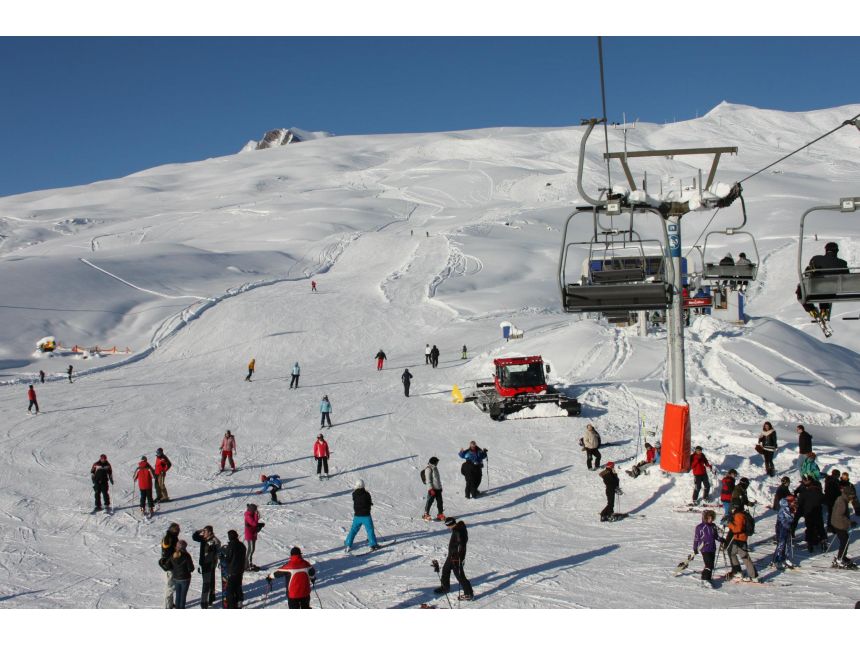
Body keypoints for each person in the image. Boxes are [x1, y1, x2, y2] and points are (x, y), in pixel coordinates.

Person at [796, 241, 848, 321]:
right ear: (837, 251)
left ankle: (811, 310)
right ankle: (824, 309)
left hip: (815, 293)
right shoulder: (842, 263)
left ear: (826, 250)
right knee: (827, 287)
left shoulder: (816, 259)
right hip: (831, 294)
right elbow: (846, 277)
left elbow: (807, 273)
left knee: (802, 290)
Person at [434, 517, 474, 600]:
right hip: (452, 555)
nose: (447, 527)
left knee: (460, 576)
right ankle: (445, 587)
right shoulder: (458, 528)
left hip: (456, 557)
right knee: (445, 570)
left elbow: (462, 546)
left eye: (447, 525)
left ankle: (469, 594)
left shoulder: (458, 531)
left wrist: (458, 558)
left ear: (450, 524)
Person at [723, 505, 758, 582]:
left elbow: (737, 529)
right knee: (731, 552)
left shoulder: (739, 515)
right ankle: (737, 571)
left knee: (745, 557)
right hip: (737, 539)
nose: (731, 510)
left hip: (740, 539)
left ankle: (753, 576)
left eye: (732, 508)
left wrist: (728, 524)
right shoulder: (740, 514)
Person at [793, 475, 826, 553]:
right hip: (818, 513)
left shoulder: (804, 493)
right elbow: (824, 500)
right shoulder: (819, 493)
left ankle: (810, 544)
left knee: (810, 528)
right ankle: (823, 542)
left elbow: (800, 503)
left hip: (808, 513)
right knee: (820, 528)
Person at [344, 479, 379, 552]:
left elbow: (357, 500)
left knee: (353, 530)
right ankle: (372, 545)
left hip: (357, 516)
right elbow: (369, 502)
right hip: (366, 516)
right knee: (370, 530)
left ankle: (348, 544)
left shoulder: (354, 494)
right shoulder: (367, 494)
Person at [830, 483, 859, 568]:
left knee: (845, 541)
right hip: (839, 524)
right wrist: (850, 522)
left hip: (838, 523)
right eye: (851, 496)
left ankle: (842, 556)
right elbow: (840, 515)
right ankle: (840, 559)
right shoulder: (842, 501)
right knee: (844, 541)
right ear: (847, 494)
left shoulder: (842, 499)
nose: (852, 498)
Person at [191, 525, 221, 608]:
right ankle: (210, 598)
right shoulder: (203, 538)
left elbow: (217, 551)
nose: (203, 533)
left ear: (210, 532)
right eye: (203, 531)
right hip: (204, 564)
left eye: (205, 531)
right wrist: (199, 531)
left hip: (210, 564)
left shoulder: (214, 540)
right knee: (208, 582)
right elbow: (194, 537)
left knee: (209, 583)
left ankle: (209, 600)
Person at [220, 529, 246, 608]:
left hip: (233, 571)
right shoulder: (242, 545)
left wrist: (222, 558)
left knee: (230, 590)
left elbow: (228, 559)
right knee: (238, 587)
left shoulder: (231, 546)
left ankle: (232, 606)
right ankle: (239, 602)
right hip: (240, 570)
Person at [693, 509, 719, 584]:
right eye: (709, 518)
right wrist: (695, 548)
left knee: (711, 565)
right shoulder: (700, 527)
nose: (710, 520)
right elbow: (696, 538)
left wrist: (721, 539)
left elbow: (716, 536)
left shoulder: (713, 526)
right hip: (705, 548)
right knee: (708, 565)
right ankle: (705, 579)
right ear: (705, 518)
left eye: (711, 518)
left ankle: (709, 579)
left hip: (712, 548)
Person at [159, 522, 181, 609]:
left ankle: (170, 604)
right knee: (170, 586)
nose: (179, 531)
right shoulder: (168, 538)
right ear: (173, 530)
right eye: (177, 529)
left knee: (171, 585)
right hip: (170, 565)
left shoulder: (173, 537)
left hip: (173, 564)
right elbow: (166, 549)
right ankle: (167, 607)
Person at [772, 496, 797, 569]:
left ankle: (786, 558)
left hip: (787, 528)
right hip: (782, 528)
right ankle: (776, 560)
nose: (794, 503)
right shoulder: (784, 509)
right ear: (790, 502)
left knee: (788, 544)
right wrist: (792, 517)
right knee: (781, 544)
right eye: (793, 502)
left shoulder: (790, 508)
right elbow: (785, 520)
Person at [169, 540, 194, 609]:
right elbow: (191, 568)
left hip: (176, 578)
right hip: (185, 578)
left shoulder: (173, 555)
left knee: (178, 594)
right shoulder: (186, 555)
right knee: (183, 595)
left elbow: (169, 565)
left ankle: (177, 608)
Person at [422, 457, 445, 521]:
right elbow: (428, 480)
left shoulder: (435, 468)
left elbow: (437, 479)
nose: (437, 463)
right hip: (432, 489)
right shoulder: (428, 469)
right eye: (437, 462)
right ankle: (426, 514)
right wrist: (430, 489)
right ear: (434, 462)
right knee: (430, 502)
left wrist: (440, 487)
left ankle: (440, 514)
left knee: (440, 502)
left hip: (438, 489)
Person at [244, 503, 263, 571]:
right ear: (252, 510)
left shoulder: (250, 514)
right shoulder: (248, 515)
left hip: (253, 533)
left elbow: (254, 524)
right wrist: (256, 515)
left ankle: (249, 563)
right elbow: (254, 524)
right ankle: (247, 565)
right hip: (250, 535)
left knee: (252, 549)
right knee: (251, 550)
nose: (256, 511)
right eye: (255, 510)